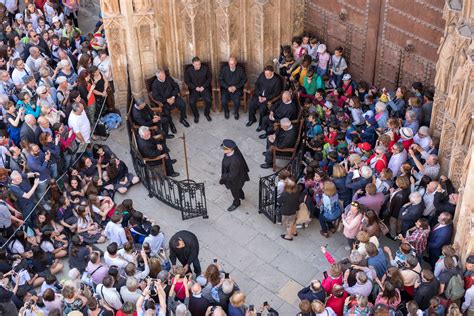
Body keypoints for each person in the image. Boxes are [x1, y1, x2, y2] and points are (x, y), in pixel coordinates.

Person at [219, 139, 250, 212]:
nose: (223, 149)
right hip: (238, 178)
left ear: (230, 149)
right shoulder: (229, 152)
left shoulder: (234, 161)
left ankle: (237, 202)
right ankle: (241, 195)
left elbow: (232, 175)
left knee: (234, 191)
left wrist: (223, 176)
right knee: (239, 188)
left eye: (225, 148)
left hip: (235, 181)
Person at [185, 56, 213, 122]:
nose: (199, 66)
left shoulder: (205, 68)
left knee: (209, 100)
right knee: (191, 101)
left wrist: (204, 86)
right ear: (193, 64)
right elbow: (187, 81)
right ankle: (196, 115)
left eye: (199, 64)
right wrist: (195, 87)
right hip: (194, 89)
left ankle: (207, 114)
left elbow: (209, 78)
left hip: (204, 88)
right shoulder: (189, 70)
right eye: (197, 65)